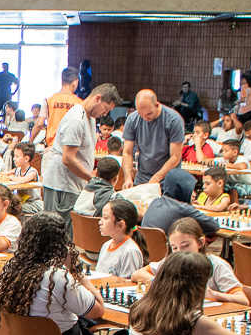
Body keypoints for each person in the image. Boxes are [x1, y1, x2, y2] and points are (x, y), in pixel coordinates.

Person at [41, 84, 123, 227]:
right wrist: (93, 179)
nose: (105, 114)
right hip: (62, 184)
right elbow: (68, 158)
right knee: (58, 231)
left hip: (73, 183)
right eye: (106, 109)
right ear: (97, 98)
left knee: (68, 232)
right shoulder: (76, 119)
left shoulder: (90, 118)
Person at [133, 217, 249, 306]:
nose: (179, 252)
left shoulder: (217, 265)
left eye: (185, 245)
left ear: (200, 243)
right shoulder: (172, 262)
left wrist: (214, 295)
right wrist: (159, 283)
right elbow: (137, 274)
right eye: (174, 248)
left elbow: (243, 300)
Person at [122, 89, 186, 187]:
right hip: (142, 178)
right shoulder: (132, 119)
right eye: (141, 114)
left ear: (157, 105)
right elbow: (127, 152)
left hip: (168, 180)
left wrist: (156, 179)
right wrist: (128, 177)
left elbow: (175, 157)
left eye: (149, 114)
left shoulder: (174, 120)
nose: (145, 118)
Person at [28, 66, 80, 146]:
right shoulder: (79, 103)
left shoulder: (49, 100)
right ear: (75, 82)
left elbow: (39, 124)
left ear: (62, 81)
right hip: (72, 146)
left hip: (53, 146)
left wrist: (30, 141)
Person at [94, 199, 144, 279]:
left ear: (120, 225)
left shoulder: (130, 252)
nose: (100, 222)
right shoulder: (106, 245)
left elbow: (126, 284)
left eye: (105, 218)